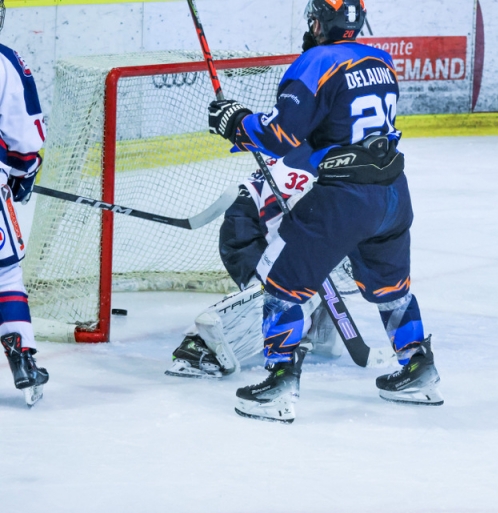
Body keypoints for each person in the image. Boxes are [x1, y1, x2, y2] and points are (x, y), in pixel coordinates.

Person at [207, 0, 442, 422]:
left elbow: (280, 135)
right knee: (392, 289)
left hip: (343, 200)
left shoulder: (315, 62)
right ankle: (419, 369)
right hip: (393, 193)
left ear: (322, 21)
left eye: (315, 18)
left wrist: (236, 122)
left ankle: (279, 384)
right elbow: (335, 124)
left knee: (280, 284)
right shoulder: (381, 61)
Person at [164, 145, 356, 379]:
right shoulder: (318, 162)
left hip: (267, 217)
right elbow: (278, 212)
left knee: (323, 270)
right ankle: (198, 343)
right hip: (249, 223)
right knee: (274, 294)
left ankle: (313, 330)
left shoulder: (340, 154)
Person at [0, 1, 49, 406]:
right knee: (5, 278)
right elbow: (26, 139)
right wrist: (23, 172)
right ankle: (23, 359)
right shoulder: (5, 61)